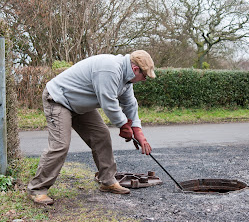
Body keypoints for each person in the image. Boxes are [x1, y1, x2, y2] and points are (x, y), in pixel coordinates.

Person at [27, 50, 155, 205]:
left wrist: (138, 131)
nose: (145, 79)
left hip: (79, 105)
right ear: (136, 70)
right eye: (145, 76)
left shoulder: (126, 79)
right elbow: (109, 103)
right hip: (58, 99)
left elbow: (130, 105)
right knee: (60, 145)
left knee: (101, 135)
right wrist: (123, 125)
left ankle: (107, 181)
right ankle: (37, 189)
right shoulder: (110, 69)